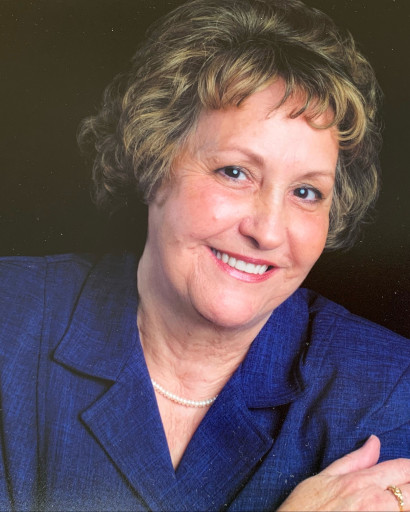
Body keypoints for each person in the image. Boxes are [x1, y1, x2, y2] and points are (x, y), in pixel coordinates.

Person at [0, 0, 409, 510]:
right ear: (153, 158)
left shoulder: (387, 390)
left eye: (306, 192)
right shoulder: (10, 319)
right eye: (235, 172)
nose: (267, 231)